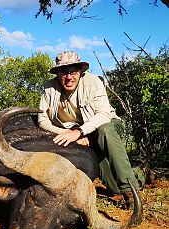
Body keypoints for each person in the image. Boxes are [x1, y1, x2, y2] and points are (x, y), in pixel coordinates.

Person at [38, 50, 141, 207]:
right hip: (79, 134)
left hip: (105, 127)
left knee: (105, 130)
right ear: (57, 73)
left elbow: (104, 115)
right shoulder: (49, 88)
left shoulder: (94, 82)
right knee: (114, 187)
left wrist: (79, 132)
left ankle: (131, 191)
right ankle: (140, 174)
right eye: (64, 72)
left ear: (80, 71)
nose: (69, 77)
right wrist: (68, 133)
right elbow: (42, 120)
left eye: (73, 71)